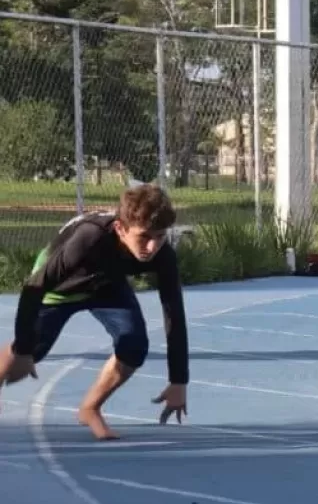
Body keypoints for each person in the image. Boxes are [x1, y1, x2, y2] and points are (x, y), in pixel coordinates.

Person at [0, 184, 189, 440]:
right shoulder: (90, 237)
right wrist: (22, 349)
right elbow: (34, 288)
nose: (153, 246)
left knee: (133, 345)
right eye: (144, 237)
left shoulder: (163, 254)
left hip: (106, 285)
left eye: (161, 236)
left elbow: (174, 314)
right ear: (120, 229)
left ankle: (90, 408)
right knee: (32, 350)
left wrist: (178, 380)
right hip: (61, 286)